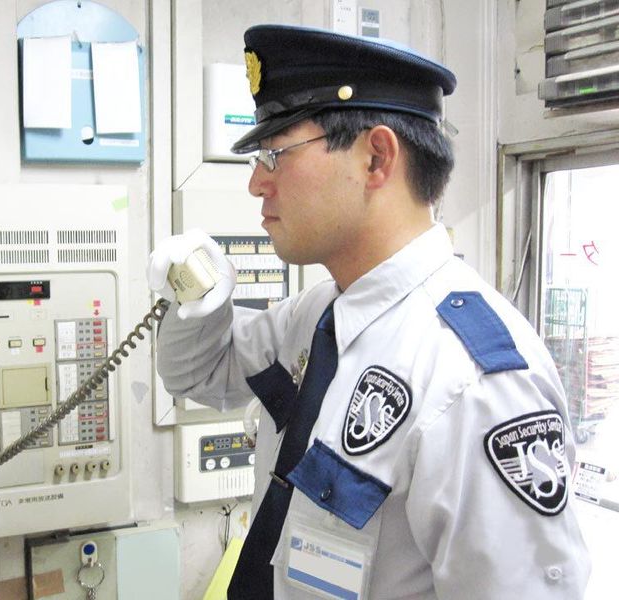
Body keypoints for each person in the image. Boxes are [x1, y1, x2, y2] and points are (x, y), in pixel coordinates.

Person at [148, 24, 590, 599]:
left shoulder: (474, 384)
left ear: (376, 158)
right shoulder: (321, 314)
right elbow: (199, 375)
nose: (257, 184)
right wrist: (197, 300)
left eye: (274, 155)